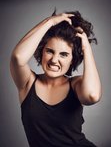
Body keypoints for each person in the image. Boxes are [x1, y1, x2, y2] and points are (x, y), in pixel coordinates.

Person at [10, 10, 102, 147]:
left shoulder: (76, 84)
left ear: (72, 60)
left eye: (64, 54)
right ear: (42, 51)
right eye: (49, 51)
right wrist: (50, 22)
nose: (54, 60)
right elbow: (18, 58)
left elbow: (92, 96)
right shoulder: (27, 83)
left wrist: (86, 48)